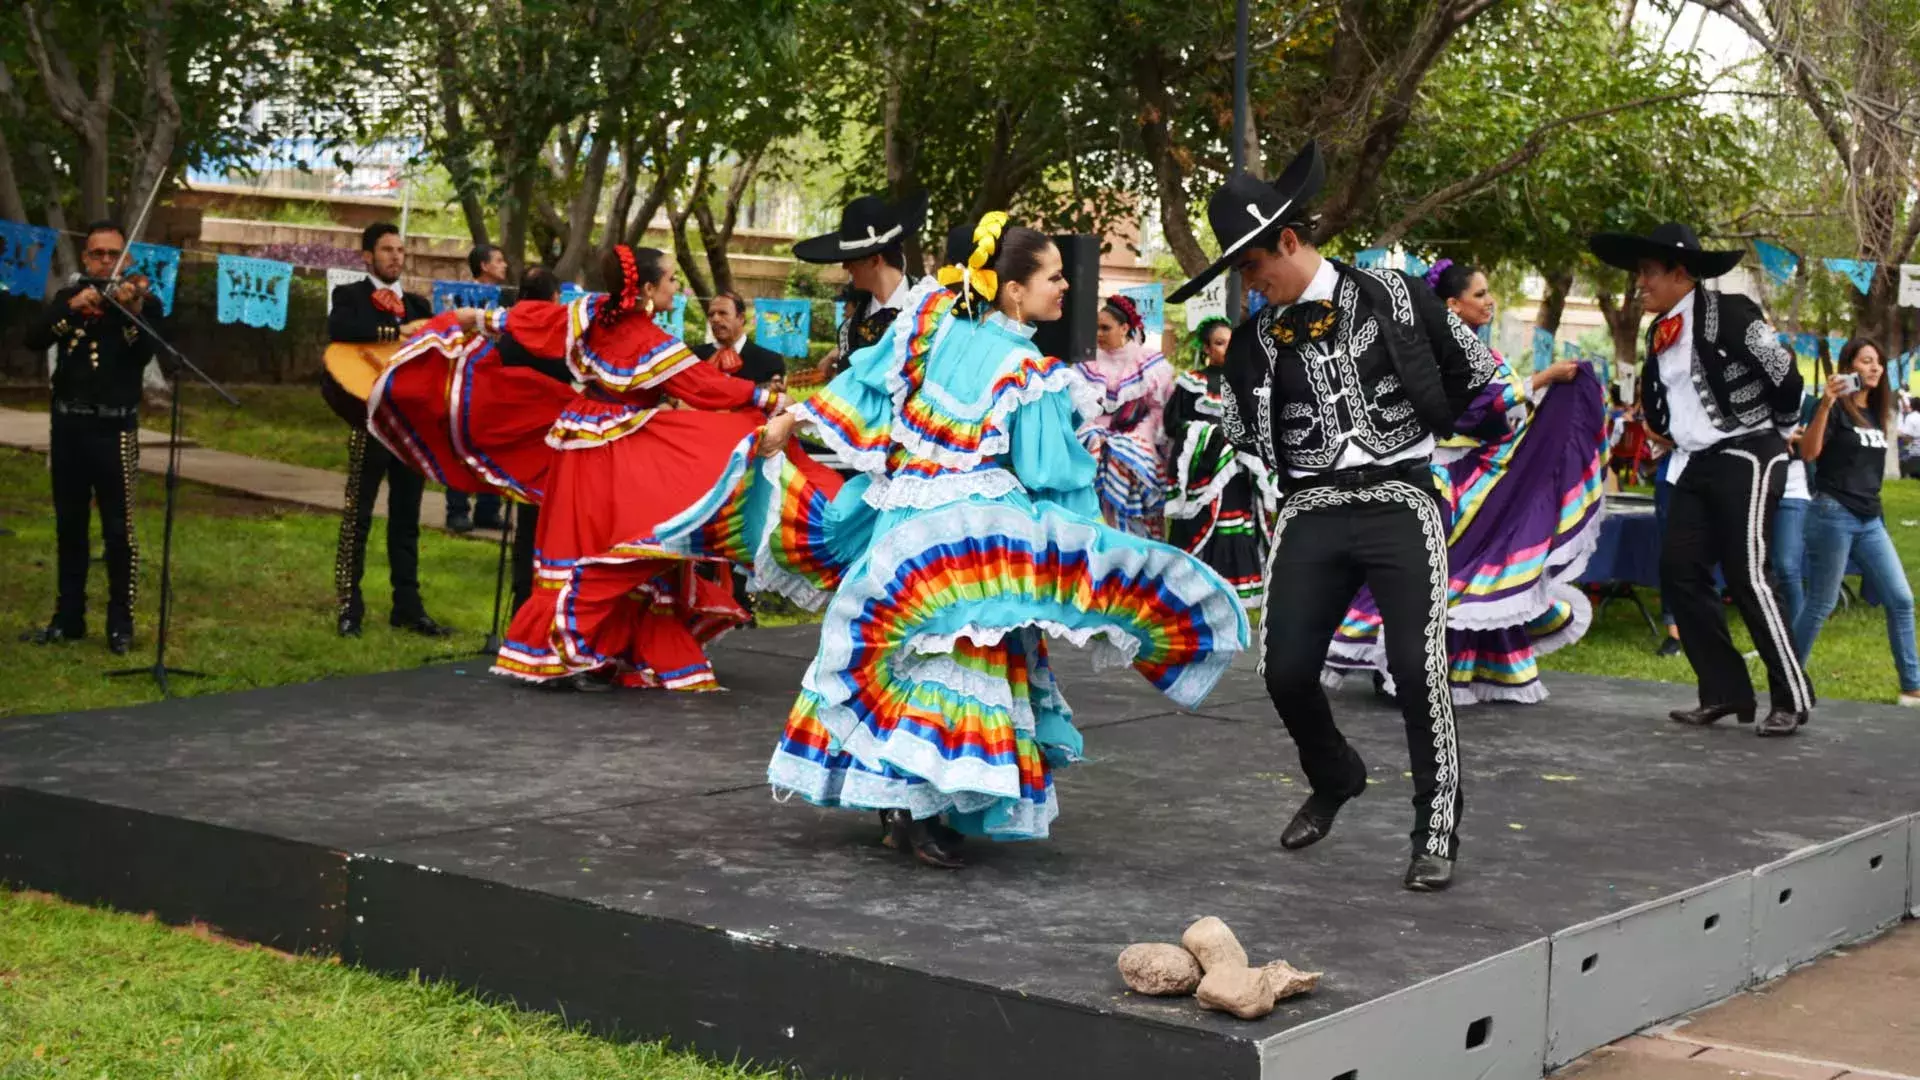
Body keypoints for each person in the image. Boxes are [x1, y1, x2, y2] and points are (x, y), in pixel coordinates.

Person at [756, 214, 1249, 869]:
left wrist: (792, 416)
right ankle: (926, 811)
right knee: (961, 663)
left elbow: (861, 387)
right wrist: (1084, 513)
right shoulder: (1027, 369)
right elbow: (1050, 472)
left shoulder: (931, 330)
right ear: (1013, 290)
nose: (1065, 289)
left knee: (903, 659)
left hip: (905, 527)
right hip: (975, 541)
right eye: (1053, 277)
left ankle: (899, 808)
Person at [1169, 142, 1503, 892]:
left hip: (1401, 496)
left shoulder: (1395, 292)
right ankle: (1337, 773)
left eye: (1253, 267)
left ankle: (1436, 827)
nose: (1250, 285)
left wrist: (1438, 421)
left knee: (1418, 666)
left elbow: (1475, 370)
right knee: (1282, 669)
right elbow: (1245, 433)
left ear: (1287, 241)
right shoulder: (1252, 342)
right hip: (1312, 505)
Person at [466, 245, 809, 692]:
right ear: (647, 288)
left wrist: (479, 320)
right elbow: (702, 385)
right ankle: (586, 646)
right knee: (635, 538)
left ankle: (577, 649)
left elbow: (540, 321)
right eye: (670, 279)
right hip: (612, 450)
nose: (677, 286)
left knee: (591, 543)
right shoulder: (645, 339)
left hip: (582, 442)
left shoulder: (594, 311)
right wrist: (770, 400)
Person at [1323, 259, 1605, 705]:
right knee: (1439, 574)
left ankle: (1452, 668)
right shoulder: (1433, 349)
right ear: (1452, 305)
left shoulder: (1480, 352)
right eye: (1479, 294)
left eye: (1488, 291)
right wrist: (1544, 377)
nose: (1489, 301)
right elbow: (1470, 410)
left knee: (1464, 575)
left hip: (1475, 473)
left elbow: (1503, 410)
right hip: (1441, 477)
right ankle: (1401, 665)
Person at [1589, 222, 1813, 735]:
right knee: (1680, 571)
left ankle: (1791, 698)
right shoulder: (1659, 329)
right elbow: (1665, 399)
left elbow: (1785, 375)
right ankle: (1723, 691)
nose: (1639, 283)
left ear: (1680, 273)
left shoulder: (1731, 312)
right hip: (1693, 462)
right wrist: (1667, 430)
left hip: (1748, 453)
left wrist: (1774, 431)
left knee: (1749, 575)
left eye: (1647, 272)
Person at [19, 220, 163, 654]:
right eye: (97, 254)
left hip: (115, 429)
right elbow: (33, 339)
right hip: (68, 427)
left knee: (119, 531)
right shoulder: (69, 299)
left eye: (113, 255)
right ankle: (69, 617)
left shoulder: (143, 304)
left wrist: (129, 311)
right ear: (85, 259)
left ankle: (120, 623)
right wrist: (72, 309)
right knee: (70, 527)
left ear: (126, 260)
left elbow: (143, 354)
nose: (105, 262)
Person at [328, 222, 448, 639]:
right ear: (367, 257)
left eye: (400, 250)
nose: (396, 256)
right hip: (370, 424)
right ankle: (349, 607)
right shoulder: (349, 297)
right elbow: (341, 330)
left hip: (409, 429)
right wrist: (398, 332)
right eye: (386, 250)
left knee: (406, 520)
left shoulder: (418, 305)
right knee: (357, 518)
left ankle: (408, 607)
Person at [1792, 338, 1920, 707]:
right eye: (1866, 361)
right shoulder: (1832, 408)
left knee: (1901, 598)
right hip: (1832, 513)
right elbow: (1809, 452)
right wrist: (1827, 402)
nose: (1875, 367)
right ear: (1850, 366)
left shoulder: (1878, 410)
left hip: (1869, 518)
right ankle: (1789, 676)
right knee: (1822, 602)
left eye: (1878, 362)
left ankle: (1911, 687)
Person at [1164, 316, 1278, 606]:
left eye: (1231, 343)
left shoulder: (1250, 383)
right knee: (1202, 525)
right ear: (1206, 347)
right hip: (1205, 472)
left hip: (1240, 474)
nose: (1226, 349)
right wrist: (1213, 436)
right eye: (1219, 343)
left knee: (1235, 527)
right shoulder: (1192, 382)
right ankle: (1194, 595)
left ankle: (1231, 602)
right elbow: (1173, 425)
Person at [792, 192, 928, 380]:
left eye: (850, 260)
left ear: (874, 261)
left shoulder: (932, 306)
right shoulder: (849, 332)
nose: (845, 267)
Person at [1075, 293, 1173, 536]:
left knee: (1125, 454)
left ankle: (1134, 540)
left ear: (1125, 328)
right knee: (1094, 445)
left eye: (1105, 328)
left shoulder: (1148, 361)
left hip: (1140, 433)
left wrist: (1130, 439)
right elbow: (1081, 410)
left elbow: (1159, 410)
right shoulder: (1088, 363)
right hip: (1098, 431)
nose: (1098, 334)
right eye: (1096, 328)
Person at [443, 244, 510, 533]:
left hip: (495, 381)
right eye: (499, 260)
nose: (505, 265)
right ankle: (457, 510)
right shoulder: (458, 297)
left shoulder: (506, 301)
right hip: (465, 379)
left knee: (493, 446)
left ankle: (488, 508)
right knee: (460, 446)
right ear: (484, 265)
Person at [692, 291, 786, 387]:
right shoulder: (693, 357)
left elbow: (775, 399)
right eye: (711, 315)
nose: (715, 319)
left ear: (741, 318)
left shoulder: (770, 361)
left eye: (722, 313)